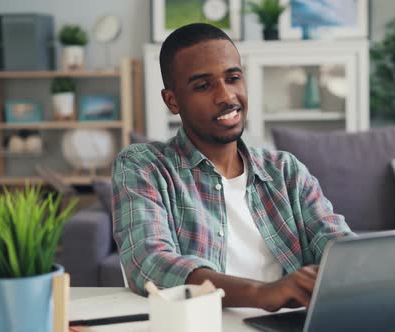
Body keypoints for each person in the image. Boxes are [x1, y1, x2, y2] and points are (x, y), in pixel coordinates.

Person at [112, 23, 352, 312]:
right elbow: (150, 263)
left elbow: (339, 246)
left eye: (233, 78)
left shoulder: (286, 171)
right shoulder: (145, 167)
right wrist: (263, 294)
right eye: (203, 85)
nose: (226, 96)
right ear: (172, 101)